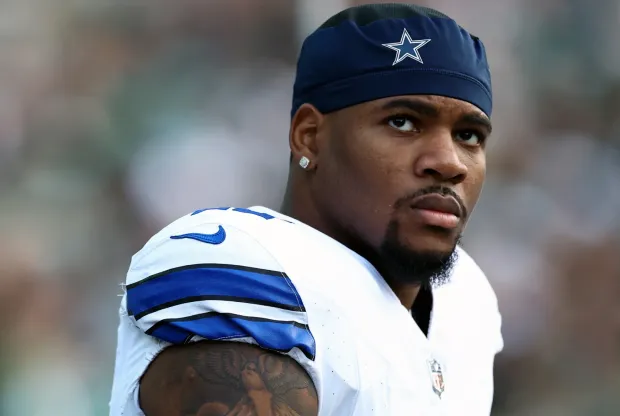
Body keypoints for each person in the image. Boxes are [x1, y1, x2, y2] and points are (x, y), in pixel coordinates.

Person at [109, 3, 503, 415]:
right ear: (309, 137)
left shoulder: (467, 300)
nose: (449, 161)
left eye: (469, 135)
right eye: (402, 122)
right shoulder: (248, 262)